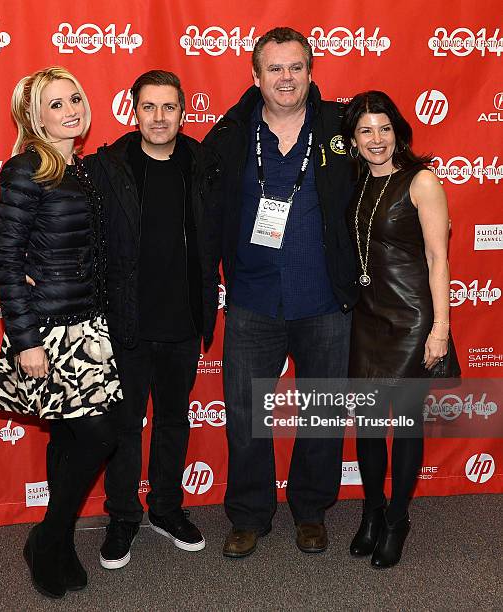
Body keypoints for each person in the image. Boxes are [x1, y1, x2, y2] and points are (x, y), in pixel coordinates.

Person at [203, 27, 358, 558]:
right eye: (274, 68)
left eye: (295, 67)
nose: (285, 78)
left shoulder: (343, 127)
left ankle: (311, 511)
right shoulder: (230, 134)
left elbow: (386, 175)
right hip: (252, 299)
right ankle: (249, 515)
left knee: (322, 415)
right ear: (256, 76)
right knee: (247, 417)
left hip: (324, 301)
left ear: (311, 73)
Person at [0, 66, 122, 598]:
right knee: (99, 436)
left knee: (71, 436)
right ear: (34, 117)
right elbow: (5, 261)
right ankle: (48, 540)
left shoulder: (82, 170)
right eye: (55, 104)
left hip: (88, 324)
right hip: (47, 331)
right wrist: (26, 341)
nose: (69, 110)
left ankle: (57, 541)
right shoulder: (25, 170)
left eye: (74, 99)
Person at [84, 70, 221, 569]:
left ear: (183, 112)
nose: (159, 118)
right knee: (124, 425)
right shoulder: (107, 166)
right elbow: (75, 230)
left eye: (169, 108)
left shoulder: (201, 162)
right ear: (133, 111)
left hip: (184, 321)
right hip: (127, 322)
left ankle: (166, 508)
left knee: (172, 421)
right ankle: (123, 517)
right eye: (149, 107)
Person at [342, 90, 454, 568]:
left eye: (384, 128)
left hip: (412, 320)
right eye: (366, 130)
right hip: (367, 318)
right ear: (353, 139)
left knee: (405, 426)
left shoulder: (421, 181)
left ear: (398, 131)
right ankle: (372, 512)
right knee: (368, 425)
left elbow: (437, 258)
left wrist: (440, 328)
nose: (377, 139)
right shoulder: (357, 182)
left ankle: (398, 518)